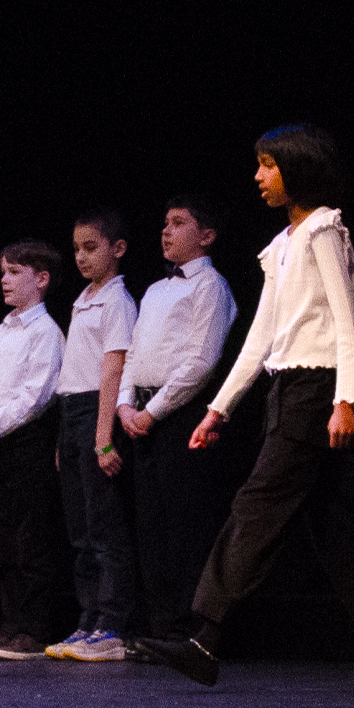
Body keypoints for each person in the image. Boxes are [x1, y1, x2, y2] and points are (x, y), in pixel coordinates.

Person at [136, 125, 354, 688]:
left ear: (296, 168)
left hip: (317, 391)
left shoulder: (324, 230)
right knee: (340, 522)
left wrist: (347, 399)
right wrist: (218, 409)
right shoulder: (281, 245)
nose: (258, 176)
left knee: (256, 507)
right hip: (287, 391)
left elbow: (348, 318)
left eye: (268, 165)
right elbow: (260, 337)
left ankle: (205, 634)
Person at [118, 197, 239, 647]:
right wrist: (126, 406)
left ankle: (191, 632)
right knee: (151, 528)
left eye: (179, 223)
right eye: (165, 223)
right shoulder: (155, 290)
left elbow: (200, 362)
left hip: (182, 413)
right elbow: (133, 354)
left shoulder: (210, 287)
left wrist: (152, 411)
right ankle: (161, 628)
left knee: (186, 524)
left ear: (205, 236)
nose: (166, 231)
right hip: (141, 415)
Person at [0, 240, 66, 660]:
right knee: (3, 540)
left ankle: (34, 630)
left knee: (30, 538)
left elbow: (33, 398)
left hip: (27, 443)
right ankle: (11, 624)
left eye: (15, 272)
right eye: (3, 271)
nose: (5, 279)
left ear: (41, 280)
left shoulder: (46, 332)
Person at [47, 210, 138, 661]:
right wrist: (64, 439)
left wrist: (103, 436)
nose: (81, 256)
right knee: (80, 529)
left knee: (104, 527)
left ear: (117, 249)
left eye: (91, 247)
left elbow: (112, 367)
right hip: (72, 413)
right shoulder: (83, 299)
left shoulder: (118, 300)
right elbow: (74, 369)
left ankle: (112, 624)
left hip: (96, 412)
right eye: (77, 248)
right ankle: (87, 620)